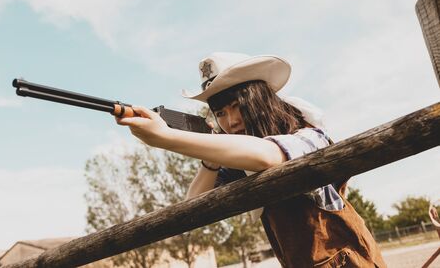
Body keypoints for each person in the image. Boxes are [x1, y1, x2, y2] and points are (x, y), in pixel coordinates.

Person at [116, 52, 386, 268]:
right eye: (220, 113)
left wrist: (165, 138)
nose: (230, 121)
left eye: (237, 106)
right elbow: (192, 207)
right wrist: (210, 160)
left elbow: (269, 155)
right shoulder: (243, 164)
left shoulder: (309, 136)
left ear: (260, 100)